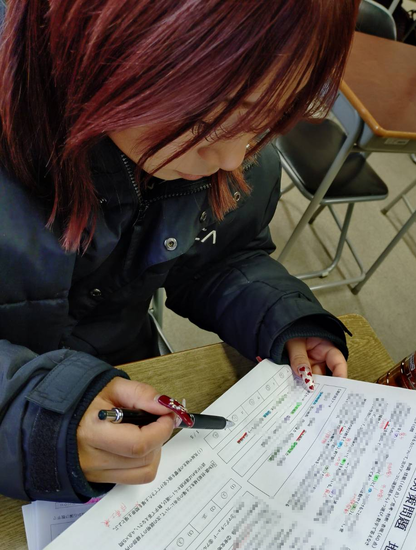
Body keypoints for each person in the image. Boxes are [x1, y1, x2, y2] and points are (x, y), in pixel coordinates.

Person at [0, 0, 359, 503]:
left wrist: (281, 316)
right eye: (209, 120)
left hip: (125, 378)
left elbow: (221, 256)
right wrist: (31, 423)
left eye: (265, 124)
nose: (231, 158)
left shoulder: (233, 160)